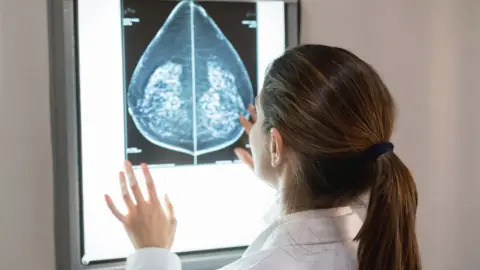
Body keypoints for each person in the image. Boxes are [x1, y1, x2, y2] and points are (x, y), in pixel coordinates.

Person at [104, 44, 421, 270]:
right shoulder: (378, 242)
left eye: (258, 115)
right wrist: (279, 173)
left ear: (276, 144)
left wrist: (151, 253)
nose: (249, 125)